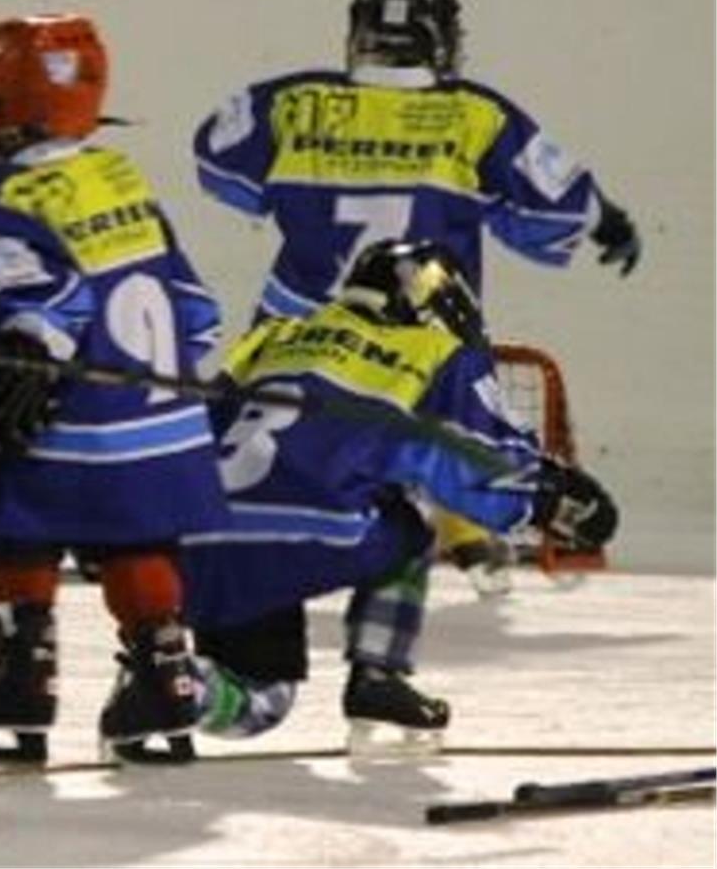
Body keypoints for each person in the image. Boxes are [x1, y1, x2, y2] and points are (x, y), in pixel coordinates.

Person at [192, 0, 639, 588]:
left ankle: (226, 540)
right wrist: (607, 220)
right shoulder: (474, 114)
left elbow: (215, 154)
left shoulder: (292, 102)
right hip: (420, 329)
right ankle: (458, 541)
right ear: (442, 35)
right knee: (443, 433)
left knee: (265, 437)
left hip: (297, 328)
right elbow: (555, 196)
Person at [178, 239, 619, 754]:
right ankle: (377, 676)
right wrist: (550, 501)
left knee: (257, 694)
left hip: (201, 531)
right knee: (408, 529)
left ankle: (173, 679)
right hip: (314, 528)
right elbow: (471, 459)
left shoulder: (274, 336)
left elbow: (200, 426)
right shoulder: (429, 351)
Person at [0, 13, 230, 765]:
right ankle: (165, 677)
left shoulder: (2, 195)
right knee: (138, 535)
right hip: (162, 414)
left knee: (11, 514)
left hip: (79, 411)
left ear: (0, 104)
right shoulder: (120, 176)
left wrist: (29, 352)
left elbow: (37, 292)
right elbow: (196, 308)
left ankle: (23, 678)